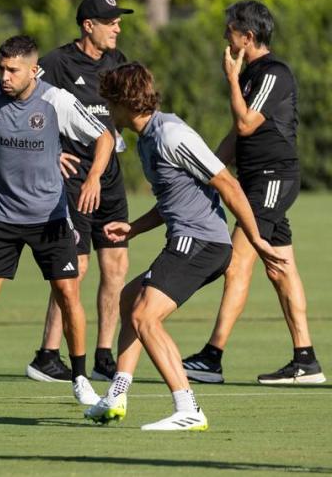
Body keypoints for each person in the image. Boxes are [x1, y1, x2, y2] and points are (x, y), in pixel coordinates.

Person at [84, 62, 286, 430]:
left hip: (203, 243)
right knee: (130, 300)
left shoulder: (171, 134)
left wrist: (255, 238)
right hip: (187, 239)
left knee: (145, 316)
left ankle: (188, 407)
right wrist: (133, 229)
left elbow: (227, 183)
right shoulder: (147, 139)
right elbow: (172, 201)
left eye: (110, 103)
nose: (108, 111)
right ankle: (117, 394)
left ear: (126, 103)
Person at [0, 35, 115, 409]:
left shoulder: (56, 101)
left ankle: (81, 379)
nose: (4, 76)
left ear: (34, 70)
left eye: (13, 70)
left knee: (68, 295)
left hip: (49, 217)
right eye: (1, 68)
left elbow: (104, 138)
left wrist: (94, 177)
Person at [181, 0, 324, 385]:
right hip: (256, 180)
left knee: (237, 260)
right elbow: (234, 137)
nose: (225, 38)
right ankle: (305, 360)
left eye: (231, 31)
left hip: (273, 179)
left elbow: (245, 124)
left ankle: (212, 357)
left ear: (248, 37)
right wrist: (204, 169)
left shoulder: (273, 73)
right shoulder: (252, 75)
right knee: (282, 269)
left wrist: (231, 77)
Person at [28, 0, 133, 382]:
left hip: (110, 174)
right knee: (77, 265)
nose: (118, 27)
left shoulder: (118, 64)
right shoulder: (56, 63)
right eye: (111, 22)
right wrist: (48, 154)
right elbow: (25, 103)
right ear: (88, 25)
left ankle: (104, 354)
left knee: (116, 264)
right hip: (73, 178)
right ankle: (47, 354)